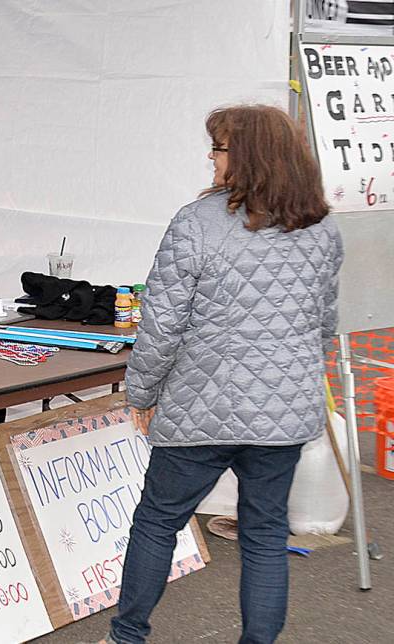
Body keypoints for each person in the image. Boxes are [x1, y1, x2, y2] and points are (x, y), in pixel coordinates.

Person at [103, 105, 343, 644]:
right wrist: (295, 384)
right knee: (264, 535)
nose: (210, 158)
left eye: (218, 148)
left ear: (247, 157)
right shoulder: (321, 229)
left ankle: (126, 637)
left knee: (159, 520)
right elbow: (325, 324)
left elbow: (162, 324)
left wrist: (140, 392)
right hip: (283, 414)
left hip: (198, 406)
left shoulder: (196, 222)